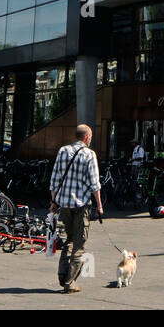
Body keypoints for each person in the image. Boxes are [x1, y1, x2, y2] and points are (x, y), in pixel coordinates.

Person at [49, 123, 103, 293]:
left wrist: (54, 201)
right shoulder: (90, 154)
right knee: (79, 244)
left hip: (64, 205)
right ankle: (70, 282)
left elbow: (55, 179)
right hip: (81, 205)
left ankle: (62, 274)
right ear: (87, 137)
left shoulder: (63, 151)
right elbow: (95, 184)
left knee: (68, 240)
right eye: (91, 137)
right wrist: (100, 206)